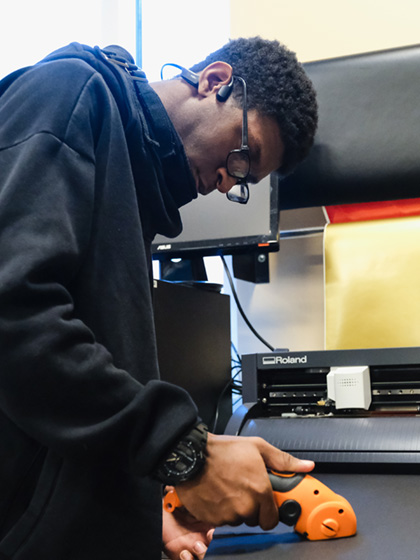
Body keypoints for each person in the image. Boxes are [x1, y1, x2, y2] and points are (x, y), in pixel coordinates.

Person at [0, 36, 318, 560]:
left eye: (244, 181)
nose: (226, 182)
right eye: (244, 156)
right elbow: (16, 317)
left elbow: (83, 389)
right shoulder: (69, 92)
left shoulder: (134, 187)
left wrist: (140, 508)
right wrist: (185, 452)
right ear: (216, 82)